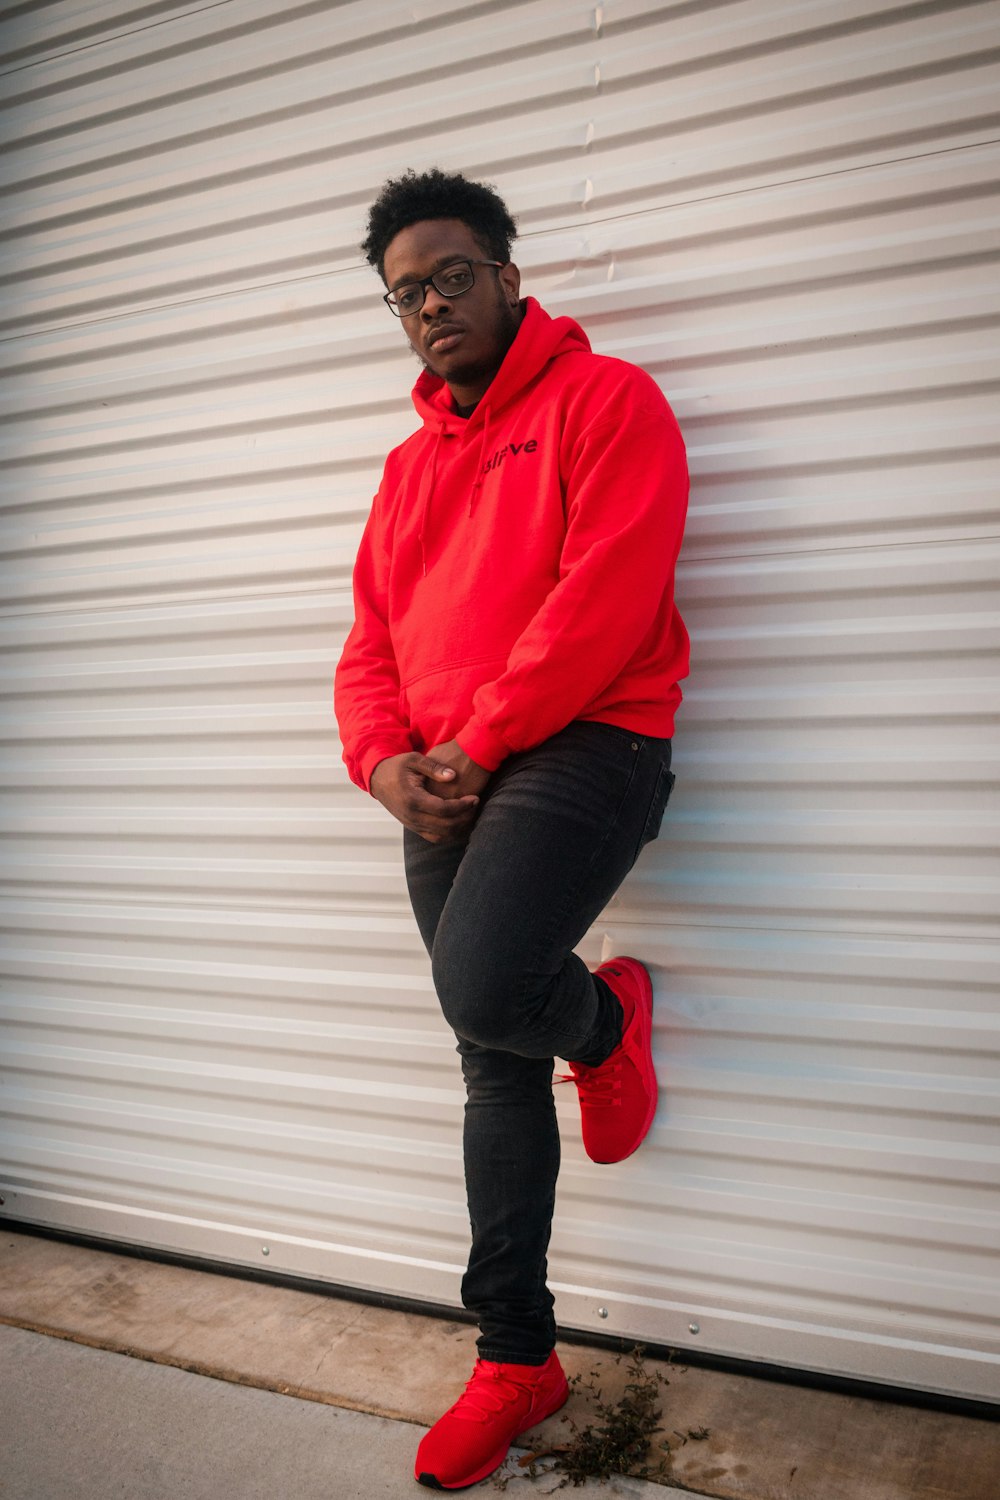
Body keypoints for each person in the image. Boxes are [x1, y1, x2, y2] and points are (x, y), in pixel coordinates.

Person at [334, 167, 689, 1491]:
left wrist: (476, 742)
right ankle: (516, 1357)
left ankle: (605, 1025)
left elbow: (607, 598)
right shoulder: (405, 469)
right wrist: (383, 765)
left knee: (487, 985)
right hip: (442, 774)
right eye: (404, 293)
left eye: (450, 276)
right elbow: (366, 644)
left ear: (507, 275)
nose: (429, 305)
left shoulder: (608, 403)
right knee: (488, 1048)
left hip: (592, 744)